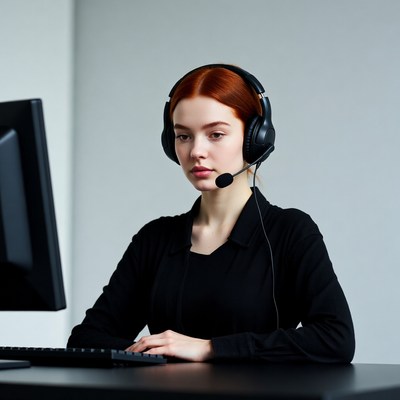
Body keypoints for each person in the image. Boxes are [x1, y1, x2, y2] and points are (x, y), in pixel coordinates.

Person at [67, 64, 355, 363]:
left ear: (254, 139)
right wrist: (149, 355)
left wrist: (208, 348)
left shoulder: (290, 231)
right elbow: (85, 339)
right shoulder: (156, 238)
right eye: (183, 136)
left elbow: (335, 339)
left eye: (215, 134)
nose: (196, 152)